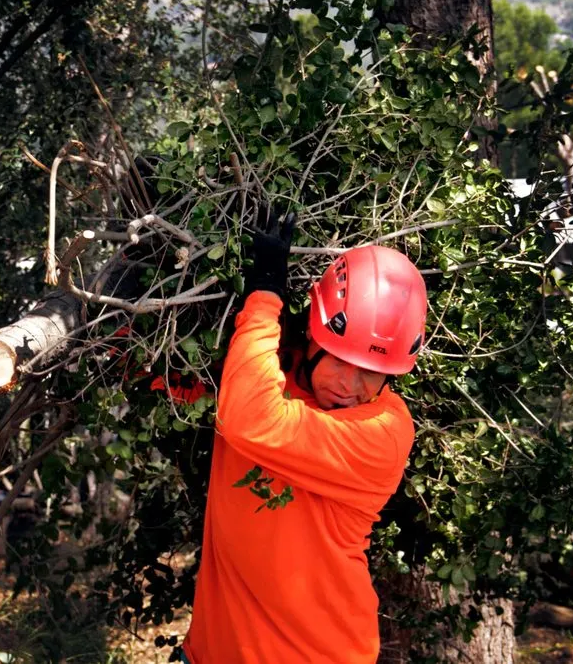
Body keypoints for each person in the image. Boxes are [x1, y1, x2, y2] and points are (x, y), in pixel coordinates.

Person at [179, 212, 428, 663]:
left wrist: (264, 293)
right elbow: (183, 384)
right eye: (339, 359)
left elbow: (251, 417)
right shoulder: (270, 368)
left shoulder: (384, 434)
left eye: (372, 372)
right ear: (313, 334)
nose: (350, 385)